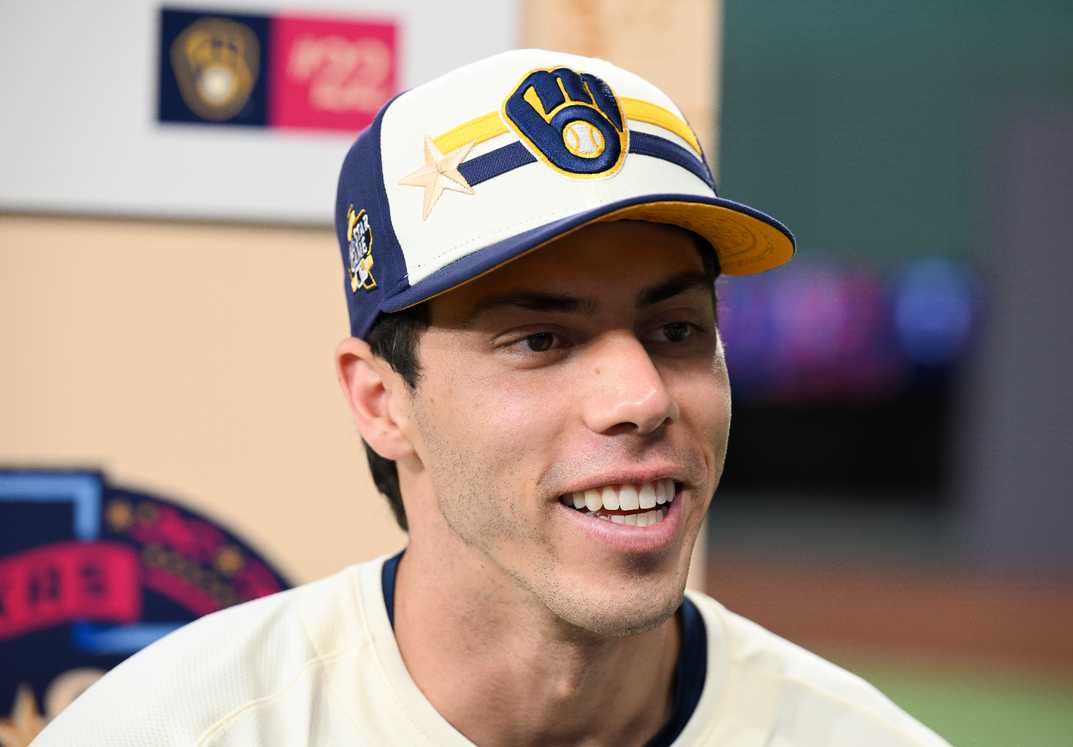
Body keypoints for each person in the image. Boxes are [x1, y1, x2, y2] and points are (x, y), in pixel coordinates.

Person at [34, 49, 950, 746]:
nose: (638, 396)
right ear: (382, 401)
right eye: (540, 339)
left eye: (676, 331)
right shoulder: (178, 728)